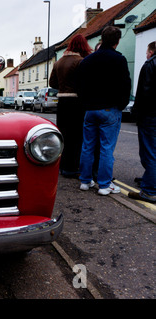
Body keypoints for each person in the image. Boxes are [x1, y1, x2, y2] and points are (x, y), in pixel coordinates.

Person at [76, 26, 131, 195]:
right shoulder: (119, 60)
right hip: (109, 109)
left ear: (102, 39)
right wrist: (121, 105)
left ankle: (85, 181)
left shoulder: (87, 61)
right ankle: (105, 185)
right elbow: (125, 85)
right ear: (117, 41)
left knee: (87, 146)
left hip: (90, 109)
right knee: (106, 148)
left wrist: (85, 103)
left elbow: (80, 85)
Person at [50, 34, 92, 178]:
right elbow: (84, 83)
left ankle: (62, 165)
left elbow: (52, 84)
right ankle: (72, 168)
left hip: (62, 101)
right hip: (76, 101)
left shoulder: (58, 62)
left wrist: (63, 86)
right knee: (76, 136)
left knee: (63, 134)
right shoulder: (81, 61)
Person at [128, 41, 156, 203]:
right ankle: (149, 179)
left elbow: (143, 94)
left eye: (147, 52)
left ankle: (149, 190)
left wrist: (136, 112)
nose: (146, 55)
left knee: (149, 152)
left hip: (150, 115)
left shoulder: (150, 65)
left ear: (151, 52)